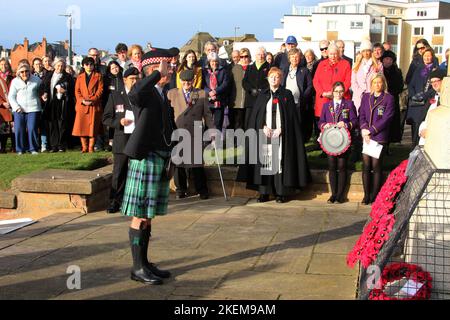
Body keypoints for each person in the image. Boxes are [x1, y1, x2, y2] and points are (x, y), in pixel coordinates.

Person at [121, 50, 176, 285]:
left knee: (148, 216)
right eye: (167, 66)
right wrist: (155, 75)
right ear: (155, 69)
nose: (171, 69)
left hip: (159, 156)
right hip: (145, 157)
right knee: (140, 214)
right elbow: (134, 93)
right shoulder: (146, 91)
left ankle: (144, 263)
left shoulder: (161, 94)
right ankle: (137, 267)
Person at [238, 67, 311, 203]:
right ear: (268, 78)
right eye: (271, 77)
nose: (274, 79)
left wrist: (282, 129)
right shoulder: (263, 95)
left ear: (280, 79)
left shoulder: (287, 94)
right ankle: (264, 193)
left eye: (277, 77)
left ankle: (280, 192)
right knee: (266, 161)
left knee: (279, 162)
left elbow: (291, 117)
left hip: (281, 135)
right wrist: (263, 126)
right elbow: (257, 115)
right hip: (265, 134)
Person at [168, 70, 215, 200]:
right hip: (178, 131)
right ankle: (180, 189)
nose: (186, 84)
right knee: (179, 163)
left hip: (195, 131)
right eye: (184, 82)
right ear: (180, 81)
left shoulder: (201, 94)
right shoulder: (172, 94)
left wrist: (212, 130)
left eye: (189, 82)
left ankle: (202, 189)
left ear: (193, 81)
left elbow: (207, 114)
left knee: (197, 163)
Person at [102, 67, 138, 214]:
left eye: (137, 79)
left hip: (137, 139)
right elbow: (106, 118)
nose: (135, 82)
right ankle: (114, 201)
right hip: (122, 139)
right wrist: (119, 122)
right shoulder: (115, 96)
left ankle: (135, 201)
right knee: (119, 172)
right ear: (125, 80)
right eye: (132, 79)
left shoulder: (143, 95)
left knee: (137, 173)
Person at [318, 81, 358, 204]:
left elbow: (355, 121)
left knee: (341, 166)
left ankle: (341, 195)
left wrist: (346, 124)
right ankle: (333, 194)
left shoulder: (349, 104)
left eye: (341, 91)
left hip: (343, 140)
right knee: (331, 166)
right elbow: (320, 122)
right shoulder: (327, 105)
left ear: (344, 92)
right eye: (336, 91)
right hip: (330, 140)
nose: (338, 94)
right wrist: (325, 125)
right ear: (332, 92)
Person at [359, 74, 395, 205]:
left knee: (376, 166)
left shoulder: (388, 98)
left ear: (383, 84)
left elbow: (387, 118)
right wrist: (364, 129)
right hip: (366, 137)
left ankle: (374, 195)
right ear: (371, 84)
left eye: (379, 82)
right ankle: (366, 195)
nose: (377, 85)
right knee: (366, 166)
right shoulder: (366, 97)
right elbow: (361, 114)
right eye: (375, 83)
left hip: (379, 136)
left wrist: (372, 130)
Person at [8, 62, 43, 155]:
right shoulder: (15, 81)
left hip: (33, 108)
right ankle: (20, 149)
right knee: (19, 129)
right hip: (19, 110)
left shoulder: (37, 80)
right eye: (22, 72)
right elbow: (11, 96)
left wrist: (44, 96)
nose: (24, 73)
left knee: (32, 128)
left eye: (26, 71)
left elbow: (42, 92)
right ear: (19, 72)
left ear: (29, 71)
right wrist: (16, 107)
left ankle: (33, 149)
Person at [406, 47, 439, 146]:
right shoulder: (418, 69)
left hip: (426, 103)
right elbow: (411, 84)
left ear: (432, 57)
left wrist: (423, 96)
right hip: (415, 104)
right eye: (425, 56)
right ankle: (413, 151)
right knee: (414, 129)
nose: (427, 58)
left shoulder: (436, 69)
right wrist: (413, 95)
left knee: (422, 128)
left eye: (429, 55)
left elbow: (435, 87)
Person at [41, 58, 75, 152]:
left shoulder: (68, 77)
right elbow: (43, 87)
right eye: (58, 65)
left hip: (63, 104)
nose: (60, 68)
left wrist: (65, 91)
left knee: (62, 124)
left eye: (62, 66)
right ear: (54, 65)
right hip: (51, 104)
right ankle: (53, 145)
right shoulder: (49, 75)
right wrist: (44, 93)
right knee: (52, 124)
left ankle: (61, 145)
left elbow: (73, 91)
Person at [313, 44, 352, 124]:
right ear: (327, 53)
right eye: (331, 54)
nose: (333, 56)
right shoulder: (321, 64)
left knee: (341, 123)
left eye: (335, 54)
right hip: (324, 99)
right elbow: (316, 81)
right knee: (324, 125)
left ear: (338, 53)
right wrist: (323, 93)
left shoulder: (345, 64)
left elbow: (348, 81)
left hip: (340, 97)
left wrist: (337, 93)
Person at [72, 57, 104, 153]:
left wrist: (93, 99)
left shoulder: (98, 76)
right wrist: (82, 100)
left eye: (91, 64)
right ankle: (84, 147)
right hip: (82, 105)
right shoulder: (80, 77)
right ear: (83, 66)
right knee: (82, 127)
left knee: (93, 127)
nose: (89, 66)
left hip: (93, 105)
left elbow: (100, 90)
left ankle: (91, 147)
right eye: (87, 64)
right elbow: (77, 91)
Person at [281, 48, 313, 142]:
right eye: (292, 57)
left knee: (298, 123)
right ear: (289, 58)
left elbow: (310, 86)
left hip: (299, 102)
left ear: (300, 58)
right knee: (287, 122)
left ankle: (299, 142)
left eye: (297, 57)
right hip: (286, 102)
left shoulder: (304, 71)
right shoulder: (284, 70)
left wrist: (303, 97)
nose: (294, 59)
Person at [351, 40, 383, 113]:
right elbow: (353, 82)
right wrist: (360, 92)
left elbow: (380, 81)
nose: (366, 53)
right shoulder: (356, 65)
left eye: (368, 50)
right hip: (358, 97)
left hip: (372, 96)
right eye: (363, 51)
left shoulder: (378, 65)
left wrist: (371, 92)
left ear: (371, 51)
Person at [242, 47, 270, 128]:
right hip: (251, 99)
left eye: (262, 54)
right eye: (258, 54)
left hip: (263, 98)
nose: (260, 56)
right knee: (249, 121)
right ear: (255, 56)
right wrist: (251, 90)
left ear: (265, 55)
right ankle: (248, 139)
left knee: (260, 121)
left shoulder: (269, 67)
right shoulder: (250, 67)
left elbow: (270, 83)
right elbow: (244, 82)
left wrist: (262, 91)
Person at [418, 68, 446, 146]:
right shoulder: (433, 97)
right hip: (425, 139)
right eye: (432, 82)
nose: (434, 84)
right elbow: (425, 117)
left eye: (436, 81)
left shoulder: (445, 99)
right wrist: (422, 129)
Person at [382, 50, 404, 146]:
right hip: (381, 99)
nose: (388, 61)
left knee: (392, 122)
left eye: (390, 59)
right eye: (386, 59)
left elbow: (400, 86)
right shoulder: (380, 70)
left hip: (392, 99)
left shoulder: (397, 71)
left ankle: (388, 145)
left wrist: (391, 93)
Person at [202, 52, 229, 131]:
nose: (214, 63)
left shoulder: (223, 70)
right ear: (209, 62)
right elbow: (203, 84)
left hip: (219, 100)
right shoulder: (204, 71)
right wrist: (209, 92)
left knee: (218, 123)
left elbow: (225, 83)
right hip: (208, 100)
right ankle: (207, 141)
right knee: (208, 122)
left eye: (216, 61)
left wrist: (215, 91)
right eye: (212, 61)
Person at [229, 48, 251, 130]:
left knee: (246, 124)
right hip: (236, 101)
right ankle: (235, 141)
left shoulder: (252, 68)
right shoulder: (234, 68)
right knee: (236, 123)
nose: (244, 59)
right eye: (241, 57)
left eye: (246, 56)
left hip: (248, 102)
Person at [0, 76, 12, 153]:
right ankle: (2, 148)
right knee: (2, 128)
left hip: (11, 106)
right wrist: (2, 103)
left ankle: (7, 147)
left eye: (5, 64)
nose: (4, 66)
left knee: (8, 129)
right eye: (2, 64)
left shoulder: (10, 78)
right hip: (2, 107)